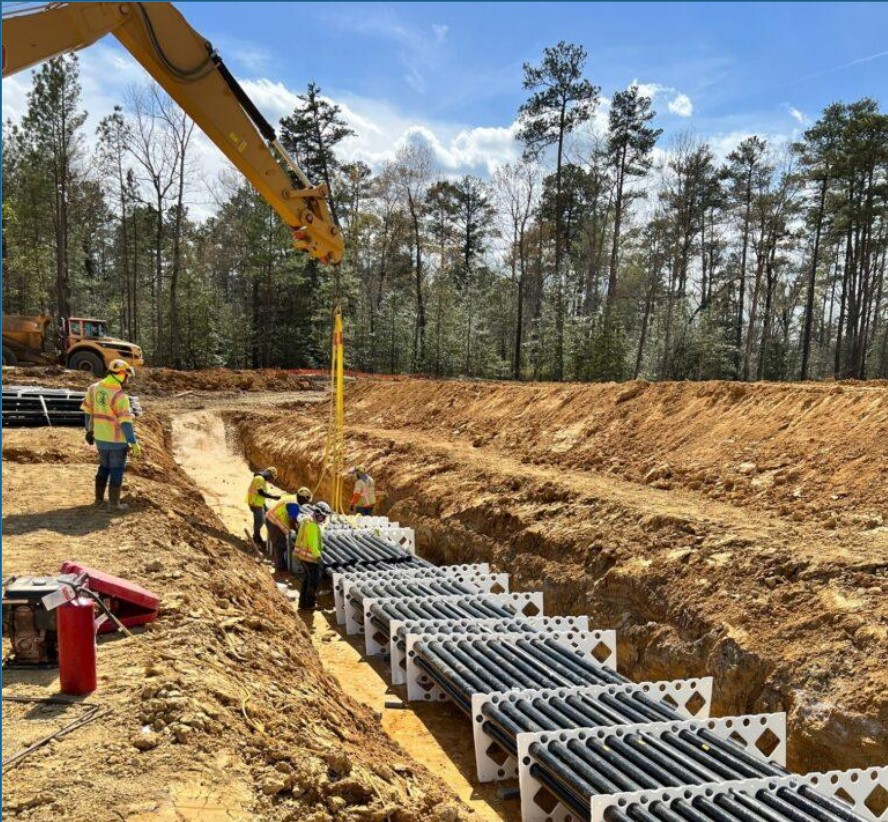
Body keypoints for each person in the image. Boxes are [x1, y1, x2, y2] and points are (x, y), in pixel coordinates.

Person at [80, 358, 140, 511]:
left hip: (100, 438)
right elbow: (126, 423)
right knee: (116, 470)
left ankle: (99, 501)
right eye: (126, 376)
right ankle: (114, 504)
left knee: (103, 467)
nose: (127, 379)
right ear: (120, 375)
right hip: (117, 441)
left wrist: (89, 430)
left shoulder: (93, 389)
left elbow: (88, 412)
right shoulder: (120, 397)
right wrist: (133, 442)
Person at [265, 486, 313, 572]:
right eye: (305, 501)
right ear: (302, 498)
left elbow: (293, 519)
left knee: (279, 542)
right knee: (280, 544)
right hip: (273, 521)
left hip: (272, 517)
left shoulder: (292, 498)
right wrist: (298, 532)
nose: (305, 504)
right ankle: (279, 566)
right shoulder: (294, 505)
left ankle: (279, 562)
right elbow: (292, 522)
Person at [294, 501, 331, 610]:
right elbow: (312, 543)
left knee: (307, 579)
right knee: (313, 581)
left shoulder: (306, 519)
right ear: (318, 513)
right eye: (323, 516)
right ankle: (310, 604)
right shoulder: (312, 525)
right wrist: (319, 557)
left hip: (302, 555)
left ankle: (303, 604)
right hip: (310, 558)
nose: (324, 519)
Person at [245, 467, 281, 549]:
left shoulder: (262, 480)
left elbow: (261, 494)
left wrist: (265, 506)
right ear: (268, 474)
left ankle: (258, 537)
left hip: (259, 503)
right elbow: (261, 492)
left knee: (266, 519)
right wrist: (273, 497)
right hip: (255, 504)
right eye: (271, 478)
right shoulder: (259, 478)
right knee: (260, 521)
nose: (271, 480)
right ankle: (256, 537)